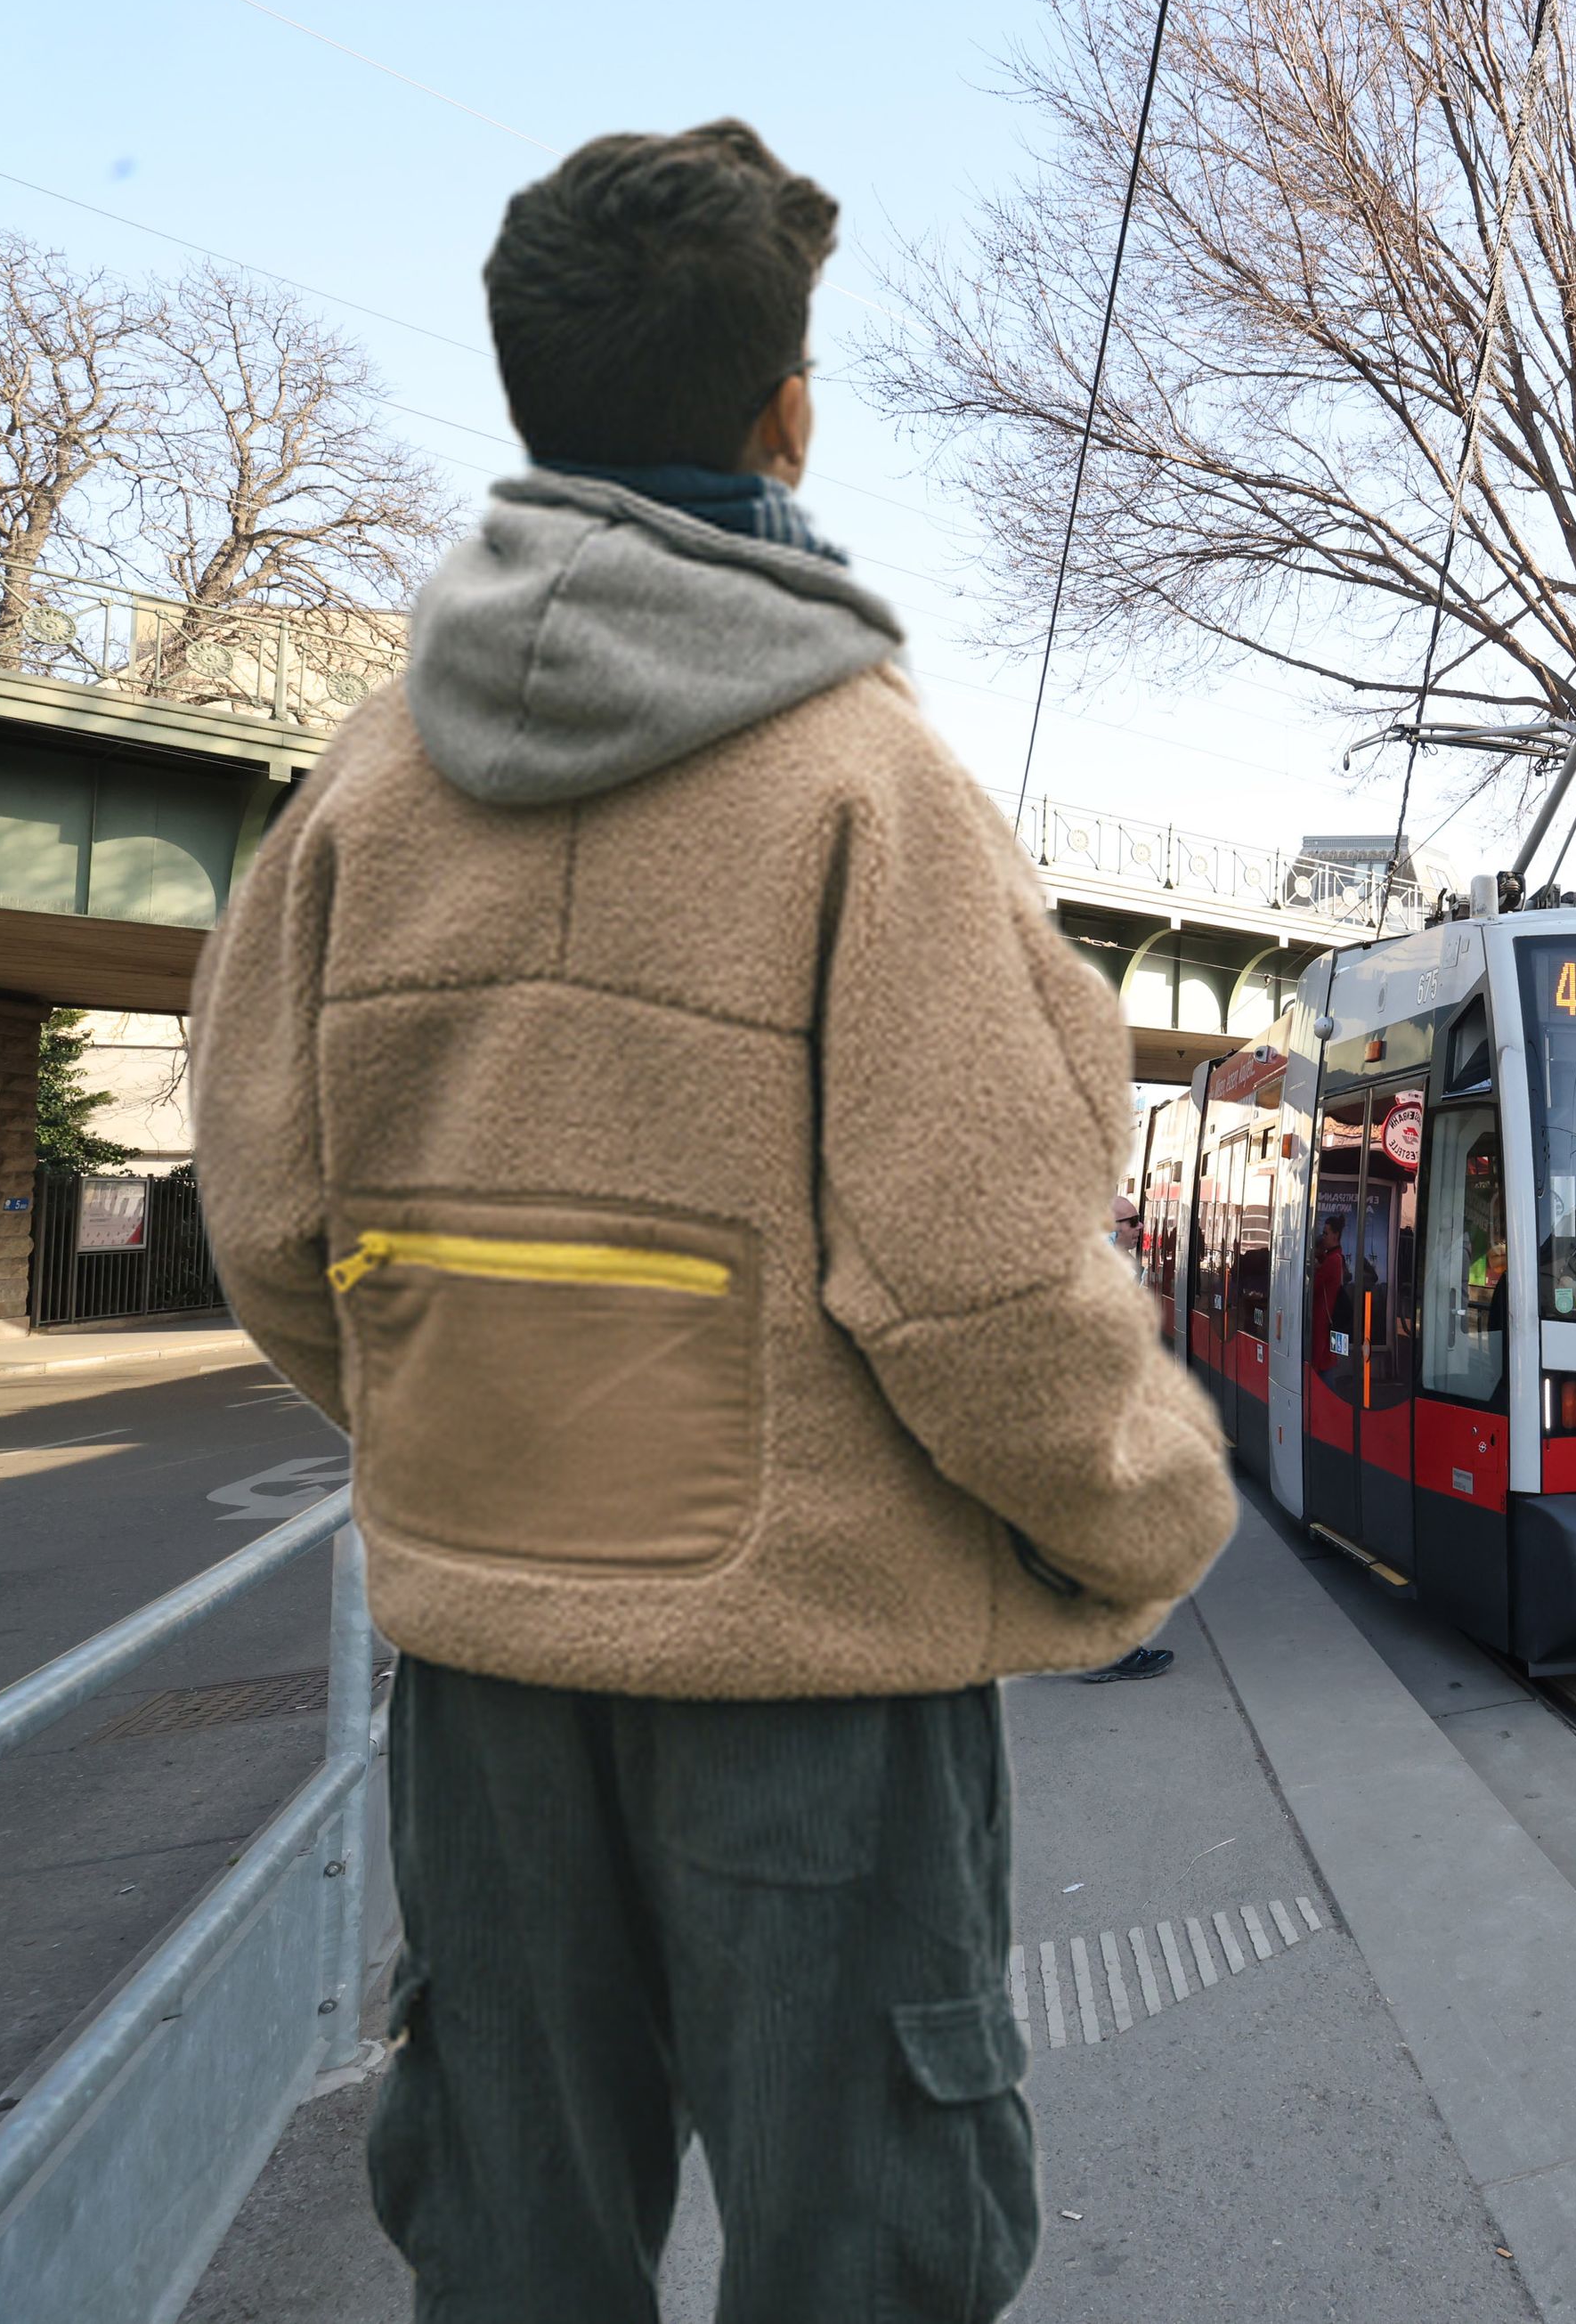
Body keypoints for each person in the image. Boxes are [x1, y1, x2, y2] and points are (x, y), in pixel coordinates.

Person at [187, 121, 1235, 2319]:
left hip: (481, 1670)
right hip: (814, 1682)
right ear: (787, 410)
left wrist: (485, 1438)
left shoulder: (359, 794)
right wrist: (1140, 1523)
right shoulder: (870, 788)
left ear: (532, 405)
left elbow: (273, 1229)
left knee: (507, 2238)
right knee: (868, 2236)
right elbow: (975, 1289)